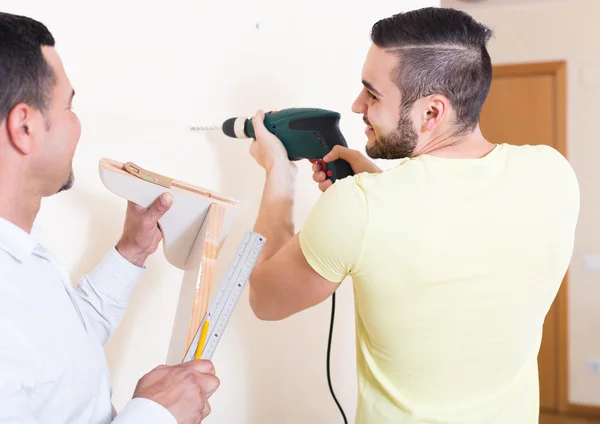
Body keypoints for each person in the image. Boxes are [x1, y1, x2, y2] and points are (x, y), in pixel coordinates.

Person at [246, 6, 580, 424]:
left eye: (372, 93)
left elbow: (264, 299)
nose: (356, 105)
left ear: (432, 112)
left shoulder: (360, 208)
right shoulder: (552, 173)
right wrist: (371, 184)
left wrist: (279, 174)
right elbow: (455, 224)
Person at [0, 11, 219, 424]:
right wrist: (154, 414)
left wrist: (131, 251)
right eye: (69, 106)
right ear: (24, 127)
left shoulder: (21, 250)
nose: (77, 123)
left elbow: (61, 348)